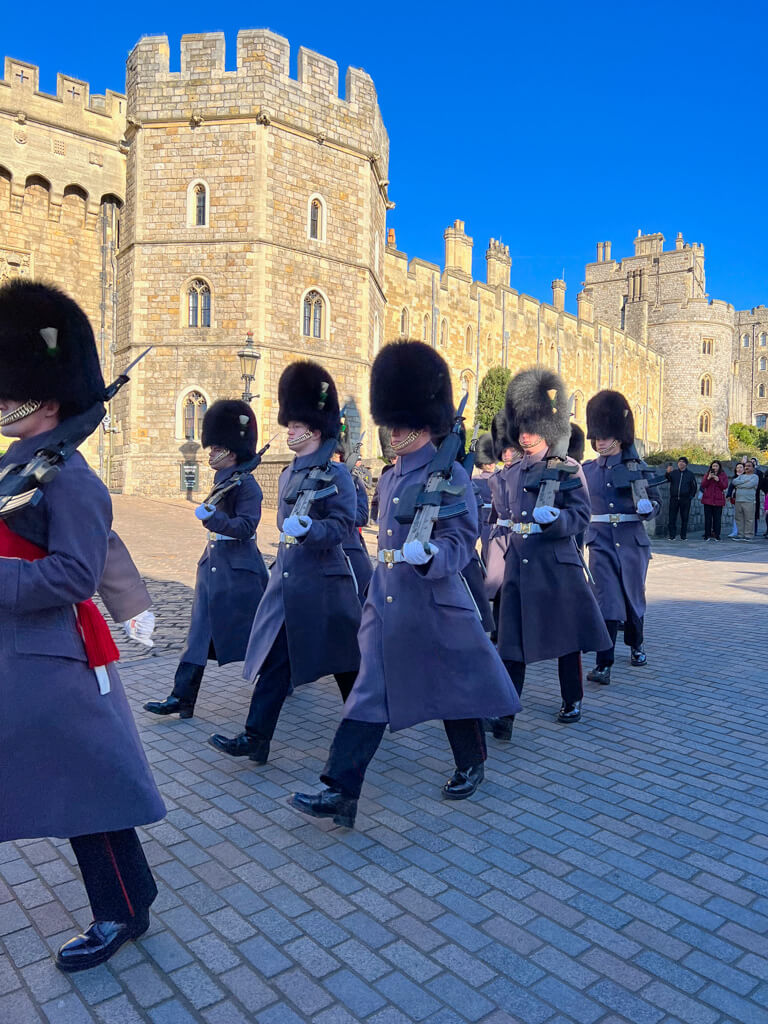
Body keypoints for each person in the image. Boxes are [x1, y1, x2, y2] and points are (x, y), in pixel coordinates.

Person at [0, 279, 165, 972]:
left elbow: (75, 572)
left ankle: (122, 909)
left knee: (87, 792)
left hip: (53, 663)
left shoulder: (71, 479)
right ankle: (131, 898)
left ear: (48, 394)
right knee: (78, 788)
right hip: (22, 654)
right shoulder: (22, 464)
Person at [289, 341, 522, 828]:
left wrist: (432, 556)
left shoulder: (451, 474)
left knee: (454, 687)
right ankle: (340, 790)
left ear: (423, 423)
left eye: (400, 423)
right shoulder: (393, 476)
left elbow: (462, 538)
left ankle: (472, 761)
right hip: (388, 600)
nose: (391, 432)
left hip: (435, 601)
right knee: (369, 690)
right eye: (390, 422)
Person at [208, 361, 361, 764]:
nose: (289, 430)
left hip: (325, 586)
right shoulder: (290, 471)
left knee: (348, 664)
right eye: (289, 423)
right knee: (276, 663)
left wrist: (312, 529)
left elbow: (344, 525)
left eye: (296, 424)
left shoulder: (337, 474)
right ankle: (256, 737)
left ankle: (368, 717)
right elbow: (282, 525)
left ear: (314, 428)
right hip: (291, 581)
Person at [489, 367, 610, 732]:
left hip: (556, 563)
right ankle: (505, 711)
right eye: (521, 429)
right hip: (520, 564)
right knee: (511, 643)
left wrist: (555, 518)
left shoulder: (568, 468)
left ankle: (572, 699)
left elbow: (580, 516)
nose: (525, 436)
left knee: (565, 638)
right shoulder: (510, 472)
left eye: (532, 429)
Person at [144, 401, 268, 719]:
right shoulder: (224, 479)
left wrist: (214, 520)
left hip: (241, 574)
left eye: (216, 448)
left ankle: (285, 677)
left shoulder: (247, 485)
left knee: (261, 635)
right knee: (197, 637)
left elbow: (245, 527)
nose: (209, 453)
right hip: (213, 567)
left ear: (232, 451)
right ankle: (181, 699)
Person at [582, 390, 661, 686]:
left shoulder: (637, 468)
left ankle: (637, 644)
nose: (600, 441)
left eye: (605, 436)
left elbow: (655, 503)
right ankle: (604, 663)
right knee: (608, 601)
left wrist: (647, 507)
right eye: (597, 436)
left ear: (619, 436)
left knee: (632, 596)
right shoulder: (589, 470)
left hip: (631, 542)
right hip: (600, 542)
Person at [333, 444, 373, 601]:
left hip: (349, 546)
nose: (332, 460)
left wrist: (337, 515)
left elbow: (362, 516)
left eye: (335, 456)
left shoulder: (354, 480)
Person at [472, 432, 496, 565]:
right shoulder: (475, 481)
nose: (491, 464)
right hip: (485, 524)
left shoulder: (503, 475)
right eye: (487, 462)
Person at [667, 456, 697, 540]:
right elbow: (668, 479)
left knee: (684, 518)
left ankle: (683, 536)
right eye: (679, 461)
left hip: (685, 499)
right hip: (674, 498)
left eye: (683, 462)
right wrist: (668, 473)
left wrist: (690, 497)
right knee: (672, 517)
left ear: (686, 464)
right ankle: (672, 535)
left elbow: (694, 487)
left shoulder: (690, 474)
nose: (681, 463)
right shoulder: (674, 473)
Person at [730, 462, 759, 541]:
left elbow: (750, 485)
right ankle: (740, 534)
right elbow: (734, 482)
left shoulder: (755, 477)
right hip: (739, 500)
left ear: (753, 468)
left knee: (749, 519)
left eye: (749, 466)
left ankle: (748, 535)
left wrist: (740, 485)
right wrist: (745, 482)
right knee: (739, 518)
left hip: (749, 501)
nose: (747, 467)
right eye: (746, 466)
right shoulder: (741, 476)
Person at [700, 460, 728, 541]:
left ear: (719, 467)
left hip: (718, 500)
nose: (714, 468)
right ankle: (707, 534)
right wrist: (708, 478)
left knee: (717, 519)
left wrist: (718, 480)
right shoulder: (707, 474)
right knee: (708, 518)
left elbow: (725, 486)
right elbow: (703, 485)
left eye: (716, 466)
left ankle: (716, 534)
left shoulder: (723, 475)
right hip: (708, 500)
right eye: (713, 466)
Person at [726, 463, 745, 537]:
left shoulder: (747, 477)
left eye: (741, 467)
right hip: (736, 498)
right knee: (736, 516)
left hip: (746, 499)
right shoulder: (735, 478)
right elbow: (731, 487)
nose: (739, 469)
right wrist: (728, 495)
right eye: (737, 468)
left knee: (745, 516)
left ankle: (744, 532)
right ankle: (735, 531)